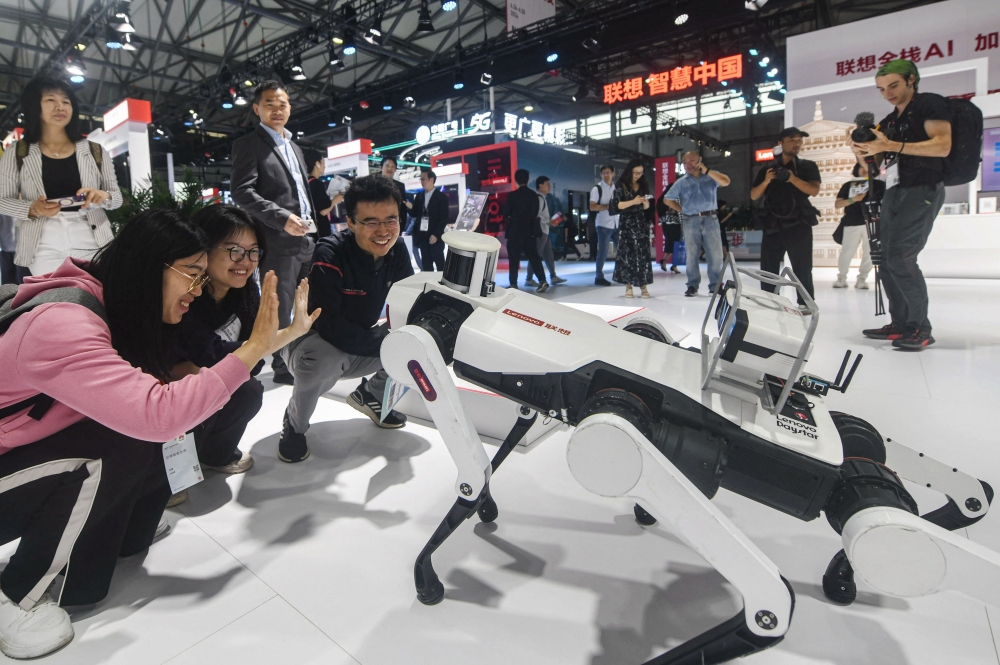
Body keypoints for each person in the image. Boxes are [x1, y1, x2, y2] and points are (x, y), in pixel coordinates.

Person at [0, 210, 317, 659]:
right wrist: (254, 350)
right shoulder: (63, 324)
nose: (198, 291)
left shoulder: (119, 311)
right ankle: (17, 593)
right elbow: (158, 413)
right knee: (117, 442)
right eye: (192, 275)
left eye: (203, 277)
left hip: (22, 455)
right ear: (149, 268)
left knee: (137, 435)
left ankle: (115, 539)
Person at [279, 174, 413, 463]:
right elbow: (328, 325)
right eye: (371, 222)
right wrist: (382, 345)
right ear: (351, 223)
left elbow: (410, 305)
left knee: (419, 340)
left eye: (391, 220)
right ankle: (295, 424)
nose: (383, 231)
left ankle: (373, 397)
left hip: (358, 341)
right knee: (325, 357)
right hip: (311, 345)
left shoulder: (397, 250)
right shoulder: (330, 253)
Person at [170, 206, 283, 504]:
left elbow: (252, 362)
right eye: (234, 250)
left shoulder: (244, 293)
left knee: (247, 390)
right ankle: (164, 472)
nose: (245, 262)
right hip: (163, 394)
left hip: (205, 381)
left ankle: (214, 455)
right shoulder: (185, 294)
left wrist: (210, 366)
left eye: (253, 252)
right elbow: (207, 354)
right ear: (203, 248)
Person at [852, 59, 951, 351]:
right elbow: (874, 165)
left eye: (893, 85)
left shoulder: (930, 105)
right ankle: (900, 324)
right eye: (881, 89)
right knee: (884, 257)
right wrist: (863, 149)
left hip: (923, 189)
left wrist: (890, 145)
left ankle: (920, 327)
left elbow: (942, 145)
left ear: (911, 80)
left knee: (901, 257)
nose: (887, 93)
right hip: (894, 190)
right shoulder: (891, 120)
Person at [231, 80, 316, 385]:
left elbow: (300, 192)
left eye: (282, 104)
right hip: (278, 239)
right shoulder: (248, 144)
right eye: (270, 104)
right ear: (257, 109)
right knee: (280, 303)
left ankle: (300, 354)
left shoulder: (293, 146)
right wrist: (282, 218)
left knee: (305, 298)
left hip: (308, 236)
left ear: (289, 107)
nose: (277, 109)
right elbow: (242, 192)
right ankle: (281, 366)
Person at [0, 76, 120, 277]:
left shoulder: (94, 150)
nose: (60, 106)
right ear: (34, 106)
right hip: (42, 242)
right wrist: (31, 208)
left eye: (66, 101)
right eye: (50, 100)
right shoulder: (18, 151)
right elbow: (2, 200)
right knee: (53, 299)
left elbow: (116, 197)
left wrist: (103, 196)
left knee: (95, 298)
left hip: (92, 236)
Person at [750, 128, 822, 310]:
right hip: (773, 222)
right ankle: (769, 300)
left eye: (799, 140)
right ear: (780, 143)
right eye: (792, 140)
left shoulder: (807, 166)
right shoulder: (767, 169)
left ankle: (805, 303)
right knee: (768, 267)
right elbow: (754, 195)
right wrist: (766, 181)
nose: (797, 143)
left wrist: (792, 178)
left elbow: (813, 190)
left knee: (802, 265)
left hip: (799, 221)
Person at [664, 151, 731, 297]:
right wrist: (683, 210)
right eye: (685, 162)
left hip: (711, 218)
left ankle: (715, 284)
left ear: (700, 160)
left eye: (692, 160)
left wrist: (707, 170)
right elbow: (667, 199)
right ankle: (692, 285)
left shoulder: (711, 176)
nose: (688, 164)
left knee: (716, 254)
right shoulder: (681, 182)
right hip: (690, 220)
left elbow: (726, 181)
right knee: (691, 254)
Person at [609, 159, 653, 299]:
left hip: (641, 224)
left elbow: (647, 209)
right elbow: (616, 206)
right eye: (635, 172)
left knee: (642, 255)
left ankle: (643, 285)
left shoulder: (643, 185)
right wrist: (633, 202)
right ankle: (628, 286)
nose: (637, 175)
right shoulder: (621, 186)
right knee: (627, 254)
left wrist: (645, 204)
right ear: (630, 171)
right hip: (627, 224)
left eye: (640, 173)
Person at [833, 161, 879, 290]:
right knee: (847, 252)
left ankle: (862, 278)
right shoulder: (848, 185)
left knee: (870, 252)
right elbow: (838, 204)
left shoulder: (879, 185)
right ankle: (841, 277)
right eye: (861, 167)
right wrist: (854, 199)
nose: (864, 170)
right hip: (852, 222)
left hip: (872, 222)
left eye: (867, 167)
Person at [503, 168, 548, 293]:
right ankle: (542, 280)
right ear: (528, 180)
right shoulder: (534, 195)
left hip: (514, 231)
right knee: (534, 257)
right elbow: (535, 212)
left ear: (516, 180)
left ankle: (513, 283)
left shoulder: (511, 196)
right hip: (529, 231)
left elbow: (506, 213)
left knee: (513, 259)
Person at [525, 176, 566, 287]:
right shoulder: (539, 198)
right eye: (547, 184)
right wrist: (549, 221)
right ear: (540, 185)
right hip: (541, 232)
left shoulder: (543, 198)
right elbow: (537, 216)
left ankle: (553, 276)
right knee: (536, 255)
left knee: (548, 254)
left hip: (544, 231)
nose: (548, 186)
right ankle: (528, 279)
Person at [410, 169, 448, 271]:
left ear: (431, 180)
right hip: (423, 237)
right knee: (426, 266)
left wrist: (436, 234)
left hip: (435, 237)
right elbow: (414, 214)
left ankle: (442, 286)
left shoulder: (441, 197)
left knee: (440, 266)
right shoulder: (419, 196)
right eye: (421, 179)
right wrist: (409, 207)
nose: (422, 182)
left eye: (424, 179)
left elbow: (443, 219)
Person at [590, 165, 618, 286]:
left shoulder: (616, 188)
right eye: (604, 173)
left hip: (616, 223)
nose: (606, 175)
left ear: (613, 173)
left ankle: (621, 274)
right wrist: (607, 206)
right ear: (601, 175)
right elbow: (592, 206)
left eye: (608, 173)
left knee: (622, 250)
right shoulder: (597, 189)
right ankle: (599, 276)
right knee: (603, 251)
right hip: (603, 225)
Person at [305, 150, 336, 238]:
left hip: (311, 228)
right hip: (320, 229)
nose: (324, 166)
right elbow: (323, 211)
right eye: (323, 162)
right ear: (317, 163)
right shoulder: (316, 183)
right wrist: (335, 200)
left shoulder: (306, 183)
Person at [656, 196, 682, 274]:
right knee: (677, 245)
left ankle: (664, 261)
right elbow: (680, 212)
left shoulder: (664, 198)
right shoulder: (678, 198)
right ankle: (674, 265)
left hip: (665, 223)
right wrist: (683, 224)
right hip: (675, 223)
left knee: (669, 243)